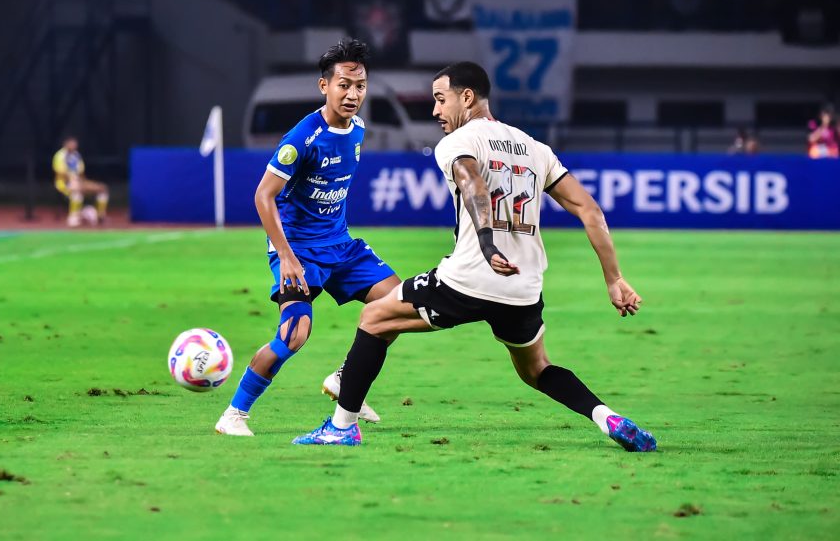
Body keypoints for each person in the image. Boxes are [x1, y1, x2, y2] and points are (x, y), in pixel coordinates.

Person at [293, 61, 657, 452]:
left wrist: (487, 244)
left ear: (466, 97)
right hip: (523, 288)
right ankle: (606, 417)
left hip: (469, 277)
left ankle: (342, 427)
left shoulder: (459, 141)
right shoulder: (535, 149)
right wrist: (614, 278)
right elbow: (590, 210)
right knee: (537, 369)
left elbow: (472, 181)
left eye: (440, 99)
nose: (435, 110)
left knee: (374, 317)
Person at [215, 38, 402, 436]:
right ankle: (234, 414)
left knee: (399, 303)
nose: (352, 94)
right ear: (324, 86)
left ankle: (346, 380)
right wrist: (285, 256)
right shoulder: (302, 139)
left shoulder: (358, 129)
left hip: (340, 244)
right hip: (298, 250)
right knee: (294, 333)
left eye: (360, 86)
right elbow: (263, 195)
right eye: (343, 85)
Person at [52, 136, 109, 226]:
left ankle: (100, 215)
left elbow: (81, 173)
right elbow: (59, 173)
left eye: (75, 143)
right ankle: (73, 217)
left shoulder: (76, 155)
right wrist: (74, 182)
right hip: (63, 183)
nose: (73, 145)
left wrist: (85, 183)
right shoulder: (60, 155)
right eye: (71, 143)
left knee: (102, 188)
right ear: (66, 144)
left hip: (78, 182)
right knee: (77, 191)